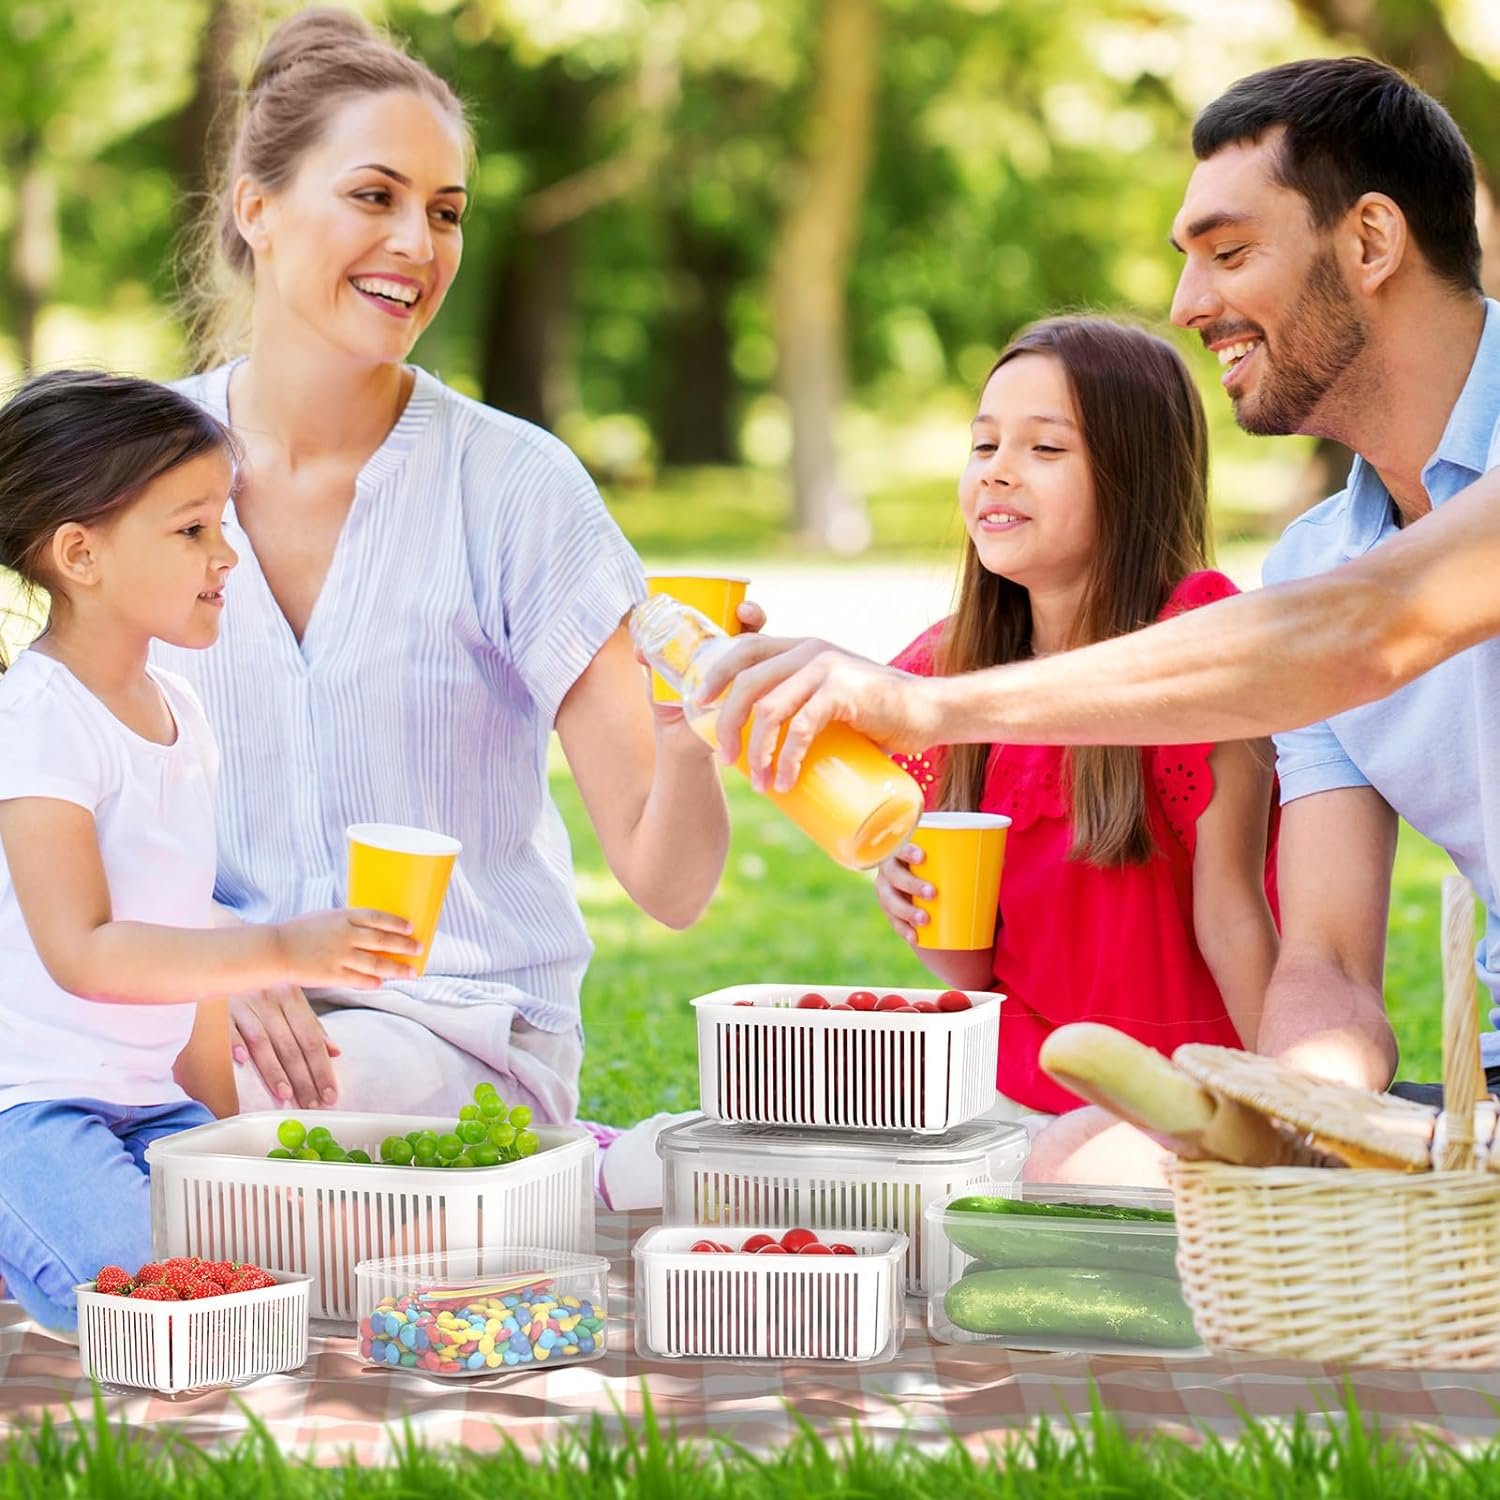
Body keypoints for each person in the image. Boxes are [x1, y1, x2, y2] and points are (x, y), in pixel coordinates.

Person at [707, 58, 1500, 1127]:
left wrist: (935, 708)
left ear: (1368, 241)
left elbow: (1371, 629)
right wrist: (1288, 1133)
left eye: (1227, 254)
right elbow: (1326, 968)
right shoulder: (1318, 561)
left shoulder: (1328, 605)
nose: (1187, 305)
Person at [159, 9, 741, 1133]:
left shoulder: (517, 486)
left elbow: (669, 889)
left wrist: (688, 727)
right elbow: (55, 821)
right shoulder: (135, 469)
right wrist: (205, 964)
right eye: (374, 197)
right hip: (185, 1000)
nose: (419, 248)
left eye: (446, 213)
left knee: (292, 1113)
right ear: (257, 209)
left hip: (445, 1029)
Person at [0, 371, 418, 1331]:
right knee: (162, 1305)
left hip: (149, 1108)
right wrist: (282, 950)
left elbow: (184, 943)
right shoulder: (37, 721)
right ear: (80, 555)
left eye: (223, 523)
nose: (226, 555)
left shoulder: (180, 712)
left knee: (292, 1272)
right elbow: (88, 952)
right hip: (30, 1112)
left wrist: (225, 1133)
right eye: (191, 530)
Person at [872, 317, 1277, 1165]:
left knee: (1071, 1171)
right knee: (781, 1142)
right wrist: (912, 899)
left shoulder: (1195, 643)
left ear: (1133, 478)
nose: (998, 473)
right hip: (1006, 1083)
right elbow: (967, 973)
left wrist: (1279, 1121)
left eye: (1046, 450)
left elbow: (1236, 916)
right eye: (983, 446)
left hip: (1174, 1091)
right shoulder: (952, 667)